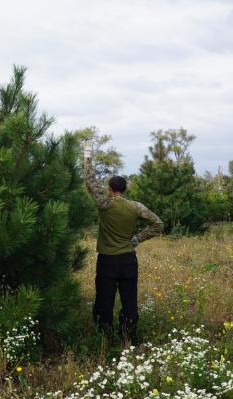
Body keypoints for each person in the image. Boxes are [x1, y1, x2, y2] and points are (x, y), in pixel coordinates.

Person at [82, 141, 163, 345]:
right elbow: (158, 224)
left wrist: (87, 156)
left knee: (104, 300)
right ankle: (130, 337)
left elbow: (91, 182)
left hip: (107, 260)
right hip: (128, 260)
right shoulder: (135, 207)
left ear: (110, 189)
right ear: (124, 189)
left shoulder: (105, 204)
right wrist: (137, 239)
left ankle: (105, 337)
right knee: (129, 300)